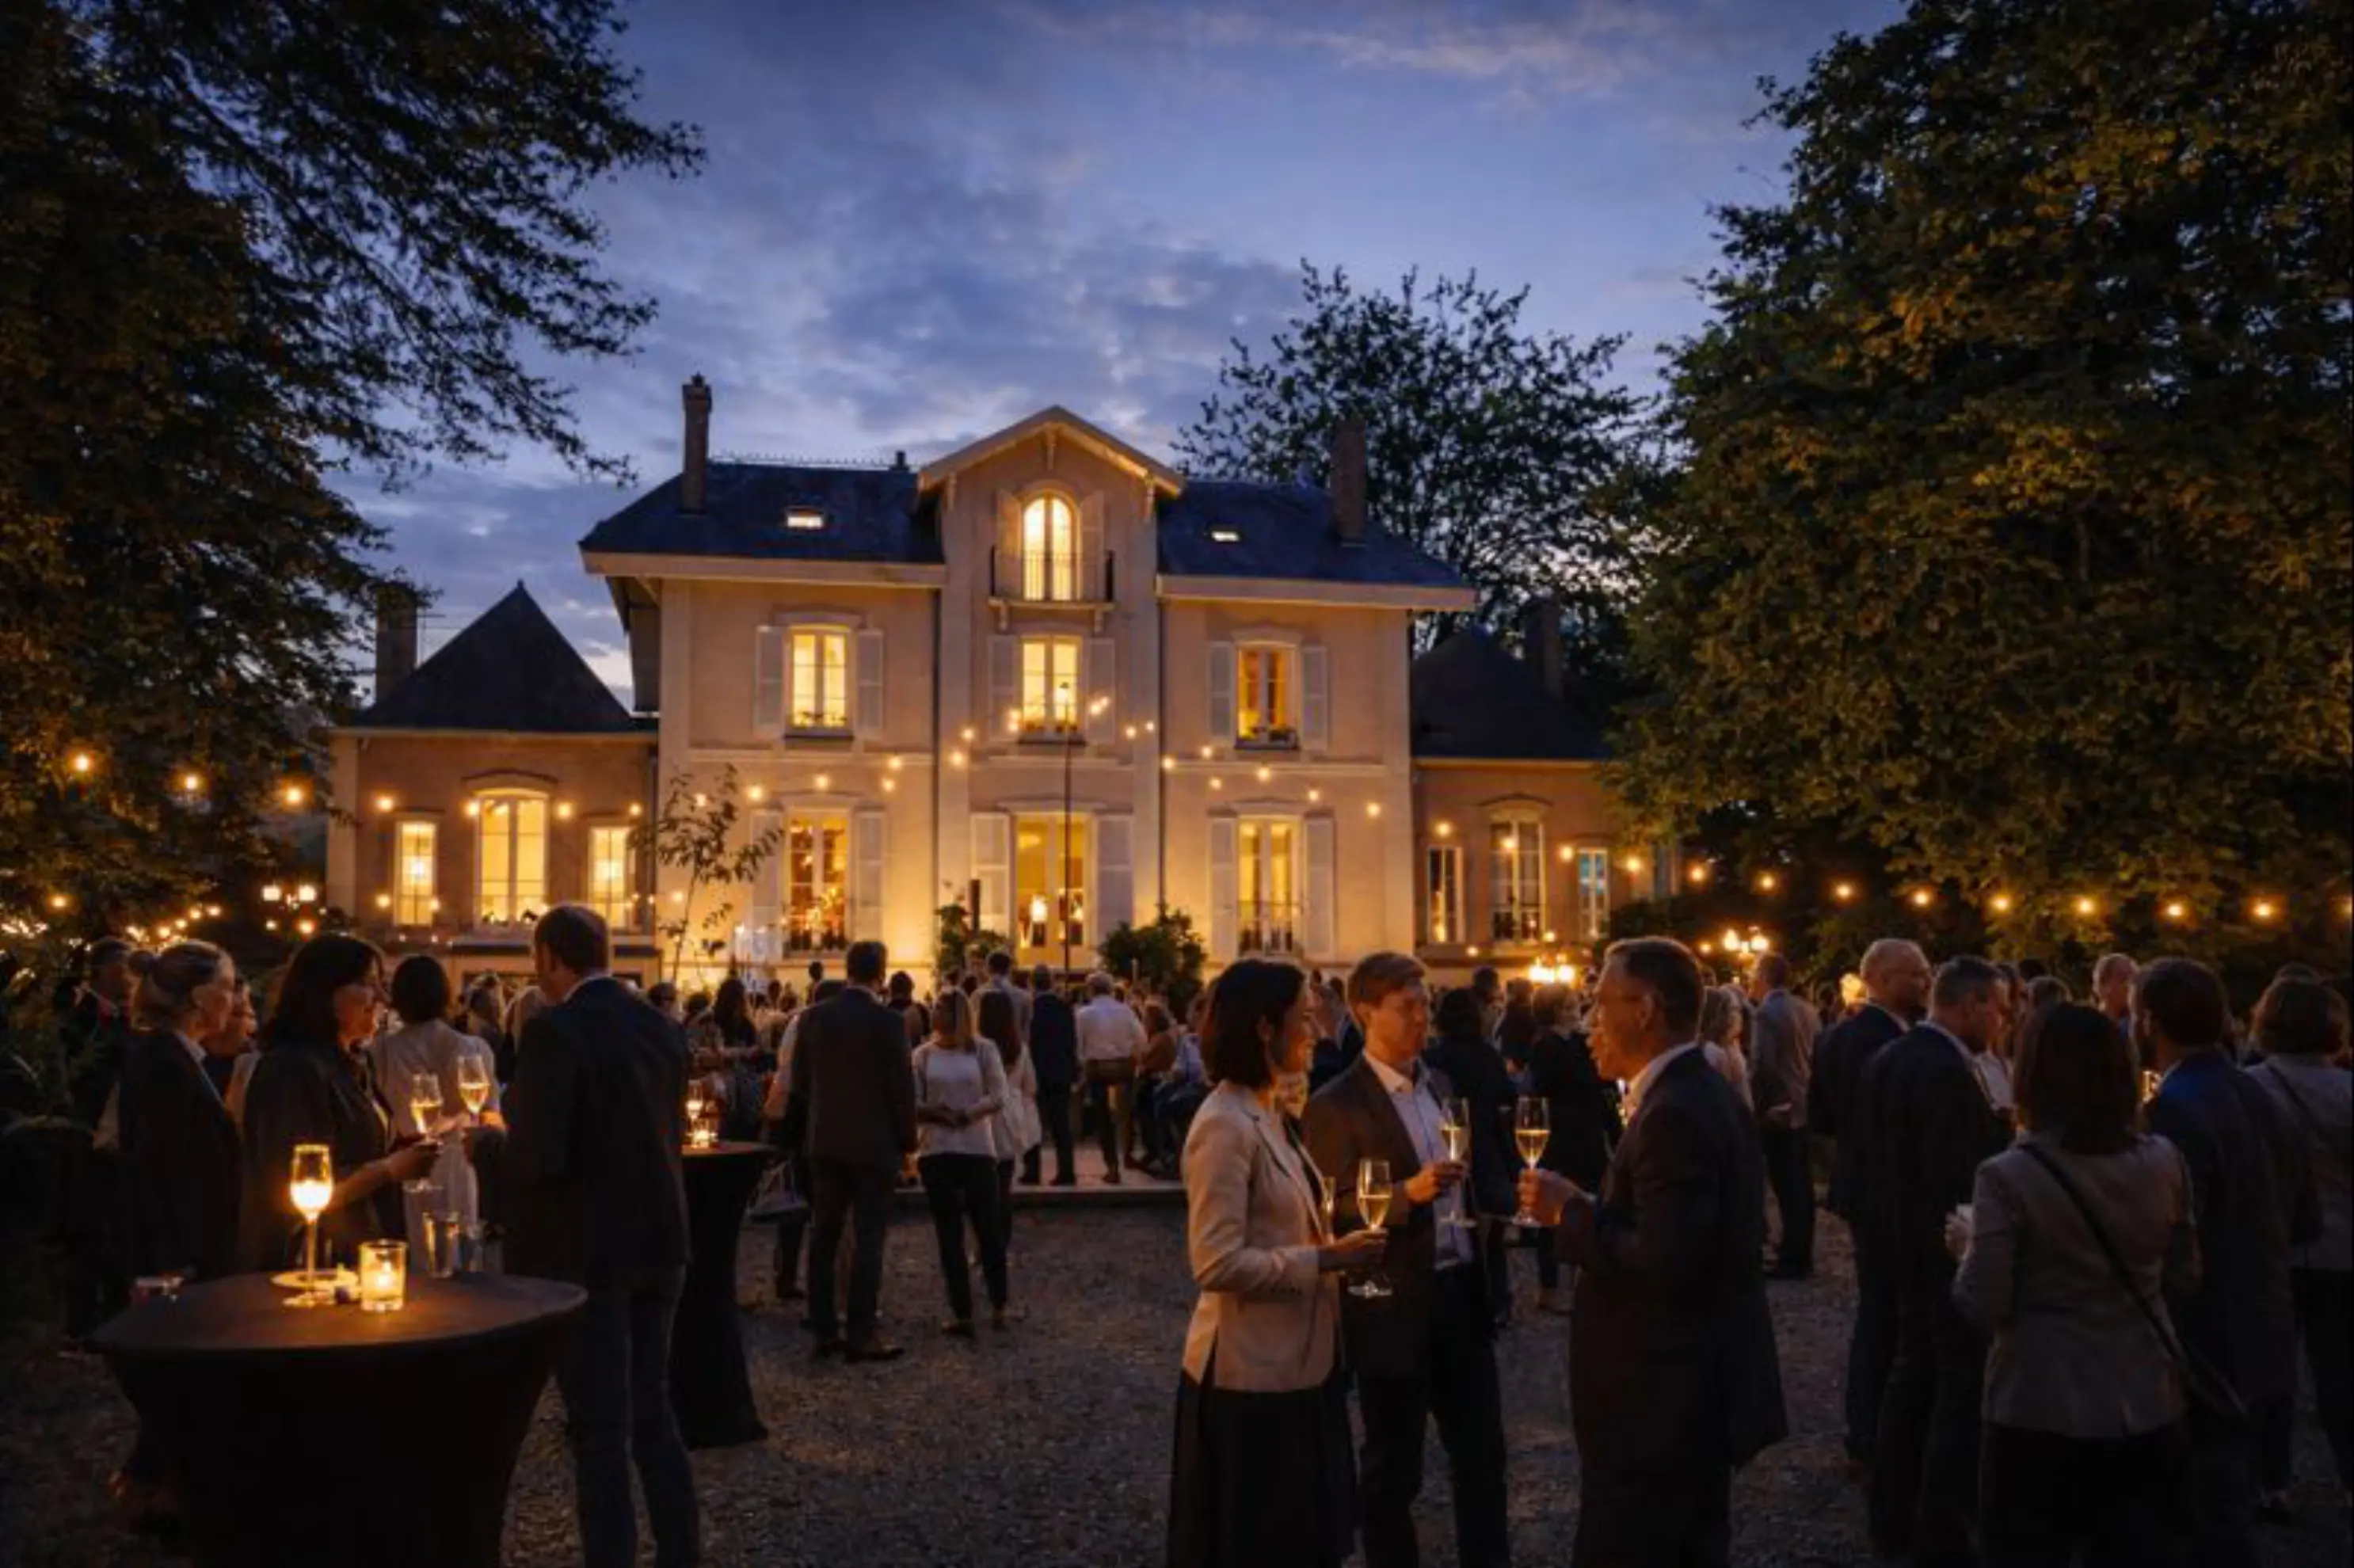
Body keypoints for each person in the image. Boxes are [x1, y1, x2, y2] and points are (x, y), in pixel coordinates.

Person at [1518, 937, 1788, 1567]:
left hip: (1661, 1403)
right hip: (1685, 1398)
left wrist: (1571, 1212)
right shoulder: (1697, 1093)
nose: (1590, 1021)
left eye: (1600, 1003)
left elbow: (1667, 1260)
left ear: (1643, 1008)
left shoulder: (1676, 1112)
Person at [465, 905, 698, 1568]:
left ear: (548, 959)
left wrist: (487, 1146)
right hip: (661, 1236)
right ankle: (682, 1551)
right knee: (653, 1417)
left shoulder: (554, 1032)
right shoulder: (660, 1026)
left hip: (588, 1249)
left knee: (600, 1430)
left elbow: (541, 1158)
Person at [1949, 1002, 2198, 1568]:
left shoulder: (2007, 1175)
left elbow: (1982, 1301)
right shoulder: (2164, 1160)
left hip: (2040, 1399)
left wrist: (1966, 1250)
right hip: (2144, 1393)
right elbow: (2187, 1275)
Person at [1168, 960, 1388, 1568]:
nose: (1317, 1030)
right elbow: (1215, 1262)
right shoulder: (1224, 1125)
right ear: (1265, 1029)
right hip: (1251, 1381)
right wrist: (1323, 1259)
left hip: (1298, 1368)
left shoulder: (1268, 1113)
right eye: (1304, 1018)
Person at [1305, 953, 1507, 1568]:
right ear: (1366, 1011)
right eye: (1407, 1006)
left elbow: (1471, 1181)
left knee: (1483, 1461)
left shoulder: (1442, 1086)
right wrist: (1407, 1196)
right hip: (1393, 1301)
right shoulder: (1335, 1104)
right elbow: (1331, 1208)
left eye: (1424, 1004)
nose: (1422, 1017)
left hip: (1461, 1294)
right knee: (1393, 1474)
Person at [2140, 957, 2318, 1566]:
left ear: (2149, 1021)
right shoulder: (2262, 1092)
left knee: (2206, 1501)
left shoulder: (2175, 1108)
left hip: (2207, 1321)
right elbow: (2306, 1217)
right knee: (2232, 1488)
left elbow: (2173, 1230)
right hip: (2266, 1307)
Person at [1859, 956, 2015, 1568]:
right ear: (1970, 1004)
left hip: (1896, 1242)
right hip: (1940, 1249)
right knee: (1954, 1387)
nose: (2002, 1021)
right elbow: (1956, 1177)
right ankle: (1941, 1528)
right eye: (1998, 1008)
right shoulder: (1947, 1070)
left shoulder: (1891, 1056)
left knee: (1911, 1375)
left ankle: (1892, 1512)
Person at [109, 942, 245, 1529]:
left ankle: (154, 1488)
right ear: (198, 998)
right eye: (229, 985)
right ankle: (159, 1497)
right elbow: (165, 1168)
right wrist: (180, 1262)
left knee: (180, 1381)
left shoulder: (173, 1055)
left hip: (175, 1248)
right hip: (174, 1254)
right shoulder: (166, 1065)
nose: (238, 998)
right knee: (181, 1377)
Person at [238, 935, 436, 1273]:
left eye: (381, 985)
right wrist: (389, 1170)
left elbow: (359, 1147)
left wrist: (405, 1149)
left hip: (363, 1249)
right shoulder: (292, 1068)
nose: (383, 999)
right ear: (324, 992)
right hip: (313, 1260)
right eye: (366, 984)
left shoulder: (355, 1061)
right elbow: (295, 1184)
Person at [1809, 936, 1931, 1473]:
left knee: (1877, 1310)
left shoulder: (1839, 1036)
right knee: (1888, 1313)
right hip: (1889, 1189)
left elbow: (1821, 1116)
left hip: (1860, 1184)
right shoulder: (1886, 1043)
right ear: (1880, 978)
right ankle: (1875, 1432)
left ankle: (1869, 1428)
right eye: (1914, 975)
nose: (1924, 983)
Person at [779, 939, 916, 1362]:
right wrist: (908, 1141)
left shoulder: (814, 1019)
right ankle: (860, 1331)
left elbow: (799, 1083)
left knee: (824, 1235)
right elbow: (901, 1089)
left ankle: (824, 1329)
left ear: (848, 969)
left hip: (825, 1140)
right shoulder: (889, 1023)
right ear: (881, 975)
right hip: (874, 1144)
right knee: (869, 1237)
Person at [2247, 974, 2352, 1498]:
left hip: (2271, 1249)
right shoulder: (2347, 1093)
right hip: (2342, 1249)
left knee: (2270, 1372)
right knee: (2341, 1373)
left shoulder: (2249, 1090)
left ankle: (2271, 1481)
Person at [369, 955, 502, 1265]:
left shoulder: (381, 1051)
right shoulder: (474, 1048)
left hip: (408, 1165)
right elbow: (490, 1115)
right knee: (462, 1253)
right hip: (462, 1163)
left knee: (417, 1252)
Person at [912, 989, 1011, 1335]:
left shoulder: (983, 1050)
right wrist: (936, 1114)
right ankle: (962, 1310)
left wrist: (968, 1114)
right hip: (936, 1149)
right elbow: (913, 1099)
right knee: (948, 1234)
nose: (933, 1011)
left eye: (940, 1007)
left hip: (976, 1147)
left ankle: (999, 1302)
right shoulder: (922, 1055)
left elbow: (999, 1094)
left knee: (989, 1229)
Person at [1423, 986, 1518, 1330]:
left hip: (1451, 1151)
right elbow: (1509, 1095)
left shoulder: (1435, 1058)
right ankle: (1499, 1301)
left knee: (1464, 1230)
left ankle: (1473, 1303)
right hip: (1488, 1149)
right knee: (1491, 1236)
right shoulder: (1488, 1056)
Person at [1525, 982, 1621, 1315]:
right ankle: (1550, 1286)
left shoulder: (1579, 1042)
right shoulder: (1547, 1047)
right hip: (1562, 1136)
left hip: (1587, 1134)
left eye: (1572, 1006)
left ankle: (1583, 1276)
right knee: (1554, 1214)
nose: (1572, 1012)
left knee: (1592, 1203)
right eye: (1565, 1007)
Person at [1748, 953, 1821, 1279]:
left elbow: (1764, 1064)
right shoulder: (1806, 1009)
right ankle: (1801, 1247)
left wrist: (1758, 1108)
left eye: (1753, 973)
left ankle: (1793, 1255)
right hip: (1803, 1103)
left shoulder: (1767, 1013)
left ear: (1765, 976)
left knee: (1786, 1183)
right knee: (1801, 1183)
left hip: (1779, 1108)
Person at [976, 987, 1037, 1252]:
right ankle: (1001, 1246)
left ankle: (983, 1246)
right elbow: (1031, 1086)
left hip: (981, 1116)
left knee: (980, 1189)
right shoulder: (1019, 1048)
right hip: (1011, 1117)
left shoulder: (976, 1048)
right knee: (1004, 1187)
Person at [1076, 971, 1146, 1185]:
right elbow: (1141, 1040)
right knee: (1126, 1113)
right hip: (1124, 1066)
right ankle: (1127, 1154)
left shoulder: (1084, 1014)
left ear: (1090, 990)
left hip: (1097, 1067)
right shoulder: (1126, 1011)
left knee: (1102, 1118)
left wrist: (1083, 1064)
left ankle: (1112, 1165)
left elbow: (1078, 1046)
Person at [1027, 964, 1080, 1186]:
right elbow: (1071, 1041)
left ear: (1032, 983)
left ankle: (1032, 1171)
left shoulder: (1030, 1008)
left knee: (1033, 1123)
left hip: (1036, 1071)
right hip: (1060, 1071)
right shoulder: (1064, 1007)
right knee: (1061, 1125)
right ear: (1051, 982)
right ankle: (1066, 1171)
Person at [196, 978, 257, 1107]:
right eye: (238, 1014)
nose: (252, 1026)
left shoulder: (255, 1067)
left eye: (251, 1016)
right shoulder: (185, 1060)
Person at [2091, 953, 2136, 1041]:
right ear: (2103, 985)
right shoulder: (2090, 1026)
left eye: (2134, 978)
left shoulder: (2140, 1028)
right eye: (2123, 978)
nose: (2130, 984)